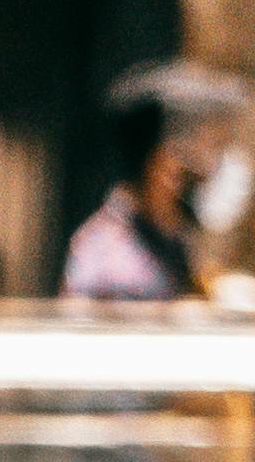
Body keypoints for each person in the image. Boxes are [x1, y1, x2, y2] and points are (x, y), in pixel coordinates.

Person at [61, 62, 245, 303]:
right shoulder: (111, 258)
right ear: (162, 166)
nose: (214, 168)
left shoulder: (167, 240)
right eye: (211, 150)